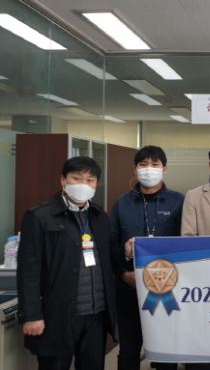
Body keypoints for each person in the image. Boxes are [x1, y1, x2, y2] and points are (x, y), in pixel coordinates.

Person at [17, 156, 116, 370]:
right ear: (63, 180)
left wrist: (127, 252)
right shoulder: (40, 217)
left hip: (96, 315)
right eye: (76, 178)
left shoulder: (99, 215)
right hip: (58, 315)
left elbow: (109, 258)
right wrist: (31, 315)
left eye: (90, 180)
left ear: (96, 184)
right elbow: (28, 271)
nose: (83, 184)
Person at [109, 146, 184, 370]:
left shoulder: (179, 201)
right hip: (128, 287)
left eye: (154, 164)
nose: (148, 169)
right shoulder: (122, 203)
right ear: (135, 169)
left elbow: (186, 243)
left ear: (164, 169)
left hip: (167, 288)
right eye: (143, 164)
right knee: (129, 347)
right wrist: (124, 273)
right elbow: (111, 244)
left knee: (165, 348)